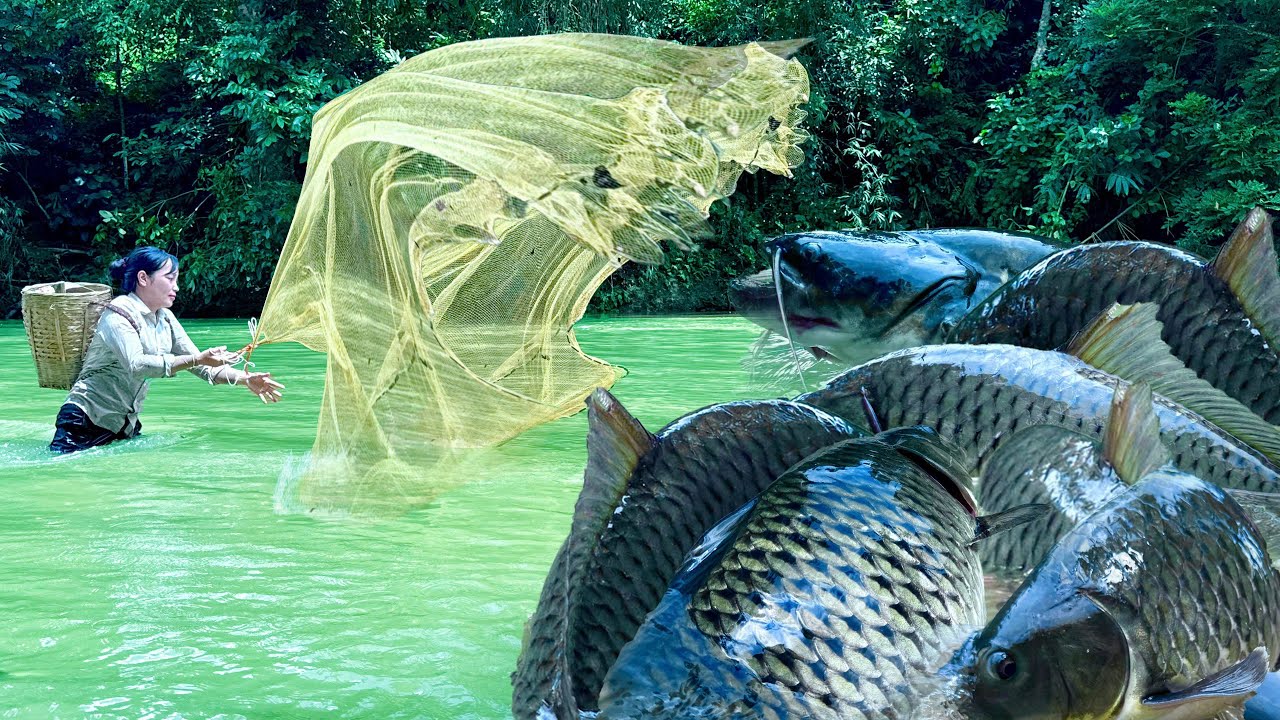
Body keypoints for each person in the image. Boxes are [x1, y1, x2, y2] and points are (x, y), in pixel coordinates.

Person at [49, 246, 285, 453]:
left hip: (123, 425)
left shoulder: (165, 318)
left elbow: (204, 368)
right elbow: (137, 365)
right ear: (143, 278)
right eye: (170, 278)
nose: (177, 287)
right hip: (83, 421)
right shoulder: (118, 313)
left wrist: (245, 379)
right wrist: (196, 358)